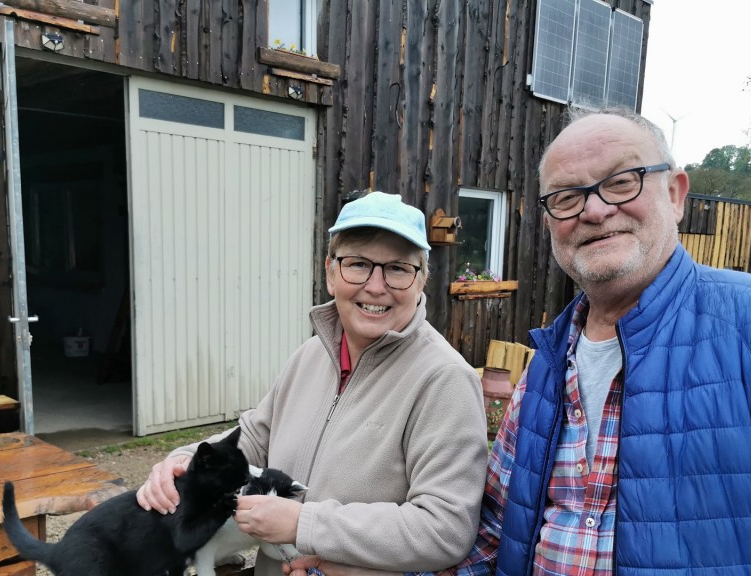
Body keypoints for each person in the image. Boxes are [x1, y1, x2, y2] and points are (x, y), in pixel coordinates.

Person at [437, 107, 751, 576]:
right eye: (567, 196)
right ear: (550, 221)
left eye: (621, 181)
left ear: (675, 195)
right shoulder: (546, 365)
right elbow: (491, 538)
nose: (594, 209)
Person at [137, 191, 489, 576]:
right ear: (330, 271)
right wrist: (185, 460)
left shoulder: (444, 380)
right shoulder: (311, 355)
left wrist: (305, 523)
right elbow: (256, 437)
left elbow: (445, 529)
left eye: (398, 269)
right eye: (357, 264)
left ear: (421, 280)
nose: (375, 286)